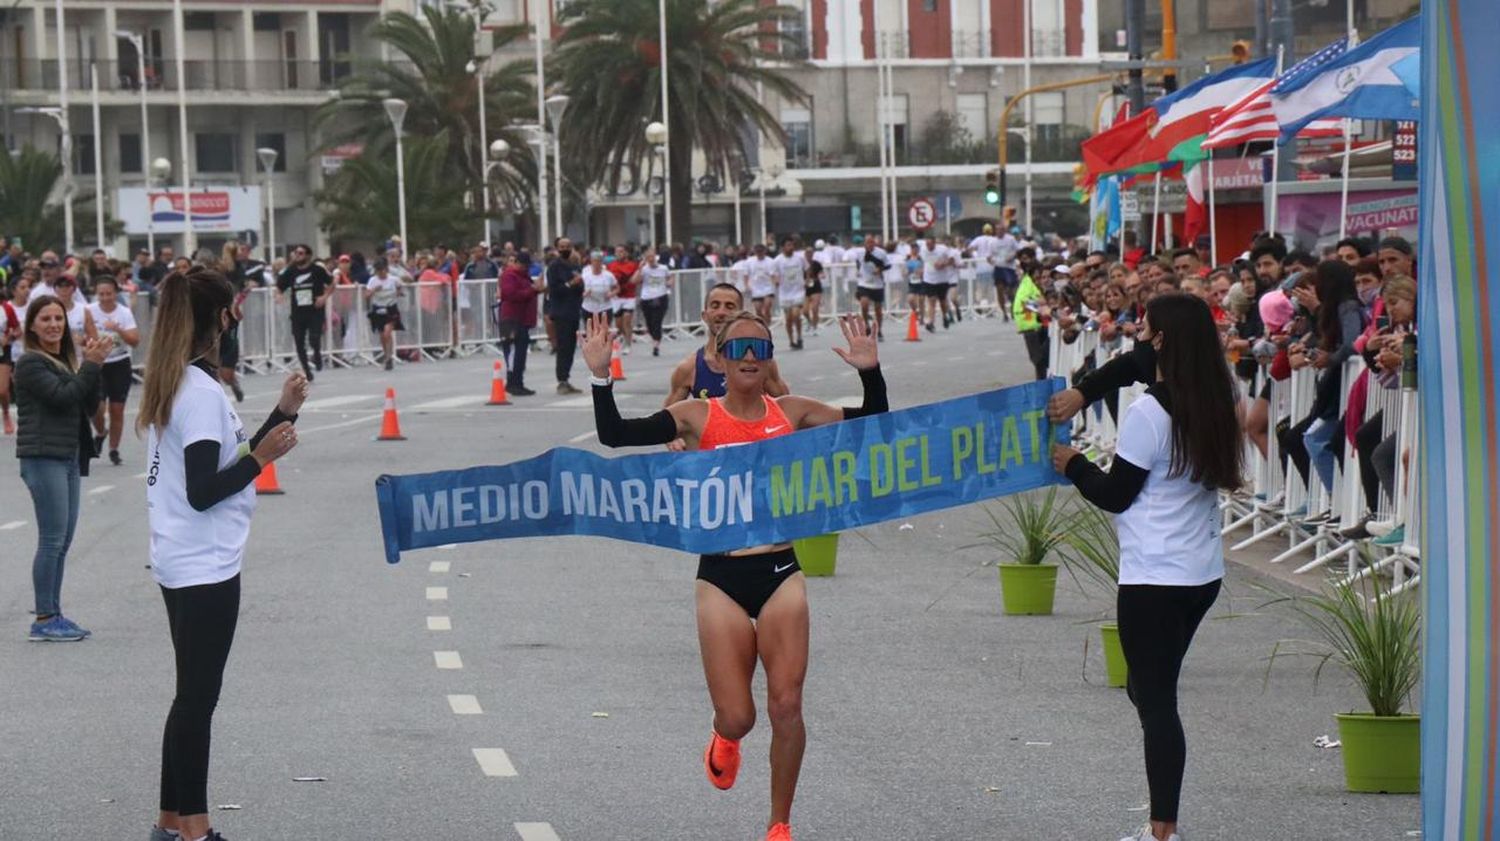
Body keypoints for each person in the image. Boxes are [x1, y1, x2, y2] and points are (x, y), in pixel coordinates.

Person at [589, 310, 887, 841]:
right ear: (721, 358)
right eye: (740, 347)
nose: (750, 357)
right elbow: (614, 436)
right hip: (721, 577)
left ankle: (779, 824)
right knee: (740, 717)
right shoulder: (695, 416)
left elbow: (874, 428)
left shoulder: (792, 413)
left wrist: (869, 372)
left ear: (769, 357)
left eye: (760, 347)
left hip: (780, 570)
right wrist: (600, 376)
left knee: (787, 703)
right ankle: (725, 736)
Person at [1052, 293, 1242, 841]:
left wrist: (1074, 464)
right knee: (1145, 686)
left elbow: (1115, 494)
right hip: (1201, 571)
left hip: (1154, 576)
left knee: (1157, 704)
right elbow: (1132, 363)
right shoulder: (1215, 392)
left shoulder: (1149, 413)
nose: (1136, 332)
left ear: (1162, 340)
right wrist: (1084, 392)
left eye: (1145, 327)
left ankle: (1163, 830)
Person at [138, 266, 307, 841]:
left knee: (188, 697)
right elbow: (206, 488)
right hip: (204, 564)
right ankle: (196, 830)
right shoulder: (203, 393)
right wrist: (261, 460)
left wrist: (280, 417)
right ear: (216, 320)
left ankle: (168, 823)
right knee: (197, 703)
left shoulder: (180, 382)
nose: (236, 319)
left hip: (182, 558)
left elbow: (226, 457)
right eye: (232, 310)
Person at [14, 295, 113, 641]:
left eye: (58, 318)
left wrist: (94, 365)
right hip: (43, 457)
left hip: (68, 456)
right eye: (45, 319)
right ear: (32, 326)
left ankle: (54, 613)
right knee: (52, 539)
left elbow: (85, 401)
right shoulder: (29, 363)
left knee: (63, 540)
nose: (54, 325)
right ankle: (43, 617)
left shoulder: (66, 361)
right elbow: (61, 398)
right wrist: (90, 366)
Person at [87, 276, 140, 465]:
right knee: (96, 407)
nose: (105, 297)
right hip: (98, 364)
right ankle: (101, 432)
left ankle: (114, 449)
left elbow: (135, 340)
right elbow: (83, 335)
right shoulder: (89, 311)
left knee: (117, 409)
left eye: (108, 293)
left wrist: (118, 329)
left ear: (115, 293)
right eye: (101, 294)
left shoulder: (124, 312)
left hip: (119, 363)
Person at [275, 245, 332, 381]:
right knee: (299, 341)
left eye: (300, 253)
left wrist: (324, 297)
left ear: (308, 255)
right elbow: (279, 286)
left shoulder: (317, 269)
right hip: (297, 312)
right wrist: (278, 295)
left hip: (315, 311)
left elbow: (332, 282)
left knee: (314, 337)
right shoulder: (291, 271)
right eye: (296, 253)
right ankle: (306, 369)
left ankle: (317, 353)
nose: (297, 255)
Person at [498, 251, 545, 396]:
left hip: (522, 319)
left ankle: (518, 382)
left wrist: (536, 289)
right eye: (524, 266)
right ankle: (513, 383)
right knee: (513, 353)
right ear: (517, 263)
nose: (526, 269)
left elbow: (529, 291)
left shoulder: (523, 276)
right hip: (512, 319)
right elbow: (510, 294)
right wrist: (532, 290)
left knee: (521, 353)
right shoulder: (509, 275)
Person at [546, 238, 585, 394]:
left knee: (570, 347)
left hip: (573, 311)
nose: (565, 249)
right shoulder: (554, 267)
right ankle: (561, 380)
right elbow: (555, 289)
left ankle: (566, 378)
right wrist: (570, 284)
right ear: (557, 248)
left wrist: (578, 285)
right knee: (563, 347)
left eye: (568, 246)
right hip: (561, 312)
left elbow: (580, 286)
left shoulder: (574, 266)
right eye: (562, 247)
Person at [1013, 247, 1048, 380]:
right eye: (1038, 277)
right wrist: (1041, 307)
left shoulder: (1029, 282)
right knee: (1038, 362)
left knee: (1040, 362)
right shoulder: (1028, 283)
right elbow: (1027, 302)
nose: (1040, 280)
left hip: (1034, 325)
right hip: (1030, 325)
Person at [366, 257, 407, 371]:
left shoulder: (393, 279)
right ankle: (387, 355)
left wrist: (399, 293)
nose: (381, 273)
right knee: (382, 335)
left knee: (387, 331)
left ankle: (389, 357)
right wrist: (374, 290)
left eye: (383, 270)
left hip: (391, 308)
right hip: (378, 308)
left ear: (386, 269)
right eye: (378, 271)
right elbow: (367, 295)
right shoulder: (372, 281)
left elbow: (400, 287)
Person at [632, 247, 673, 357]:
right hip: (646, 298)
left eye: (652, 256)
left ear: (655, 256)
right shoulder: (644, 269)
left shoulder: (663, 268)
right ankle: (654, 338)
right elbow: (634, 281)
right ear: (645, 258)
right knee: (649, 323)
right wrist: (639, 269)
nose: (651, 259)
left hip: (661, 296)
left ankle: (656, 345)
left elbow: (670, 278)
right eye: (648, 257)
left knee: (657, 321)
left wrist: (669, 282)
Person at [774, 238, 808, 350]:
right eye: (788, 245)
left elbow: (807, 269)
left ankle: (799, 337)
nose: (791, 247)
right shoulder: (778, 260)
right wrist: (776, 280)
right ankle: (791, 340)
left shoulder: (799, 257)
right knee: (788, 319)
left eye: (792, 245)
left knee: (796, 314)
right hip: (785, 293)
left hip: (798, 291)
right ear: (783, 247)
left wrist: (807, 280)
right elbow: (775, 274)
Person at [854, 234, 888, 341]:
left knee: (878, 309)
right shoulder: (859, 252)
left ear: (874, 242)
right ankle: (867, 325)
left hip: (877, 284)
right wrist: (858, 271)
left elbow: (888, 265)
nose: (870, 244)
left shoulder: (881, 253)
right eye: (867, 242)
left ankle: (879, 330)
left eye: (871, 242)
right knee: (864, 304)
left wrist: (880, 270)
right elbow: (858, 262)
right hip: (864, 283)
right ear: (864, 243)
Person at [609, 245, 640, 353]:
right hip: (616, 297)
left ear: (626, 253)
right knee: (619, 323)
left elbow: (636, 279)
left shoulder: (632, 265)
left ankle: (628, 344)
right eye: (617, 252)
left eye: (621, 251)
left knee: (627, 319)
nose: (619, 254)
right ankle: (624, 335)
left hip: (629, 296)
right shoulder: (611, 266)